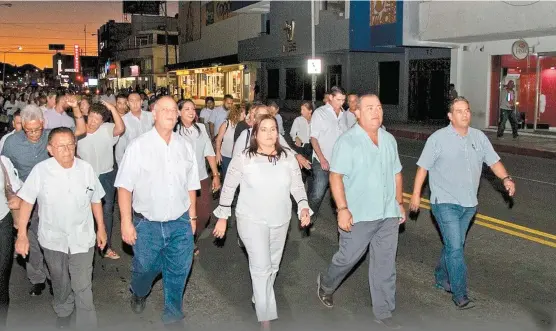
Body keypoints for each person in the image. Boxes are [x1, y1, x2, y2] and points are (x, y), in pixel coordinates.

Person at [410, 96, 516, 309]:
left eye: (467, 110)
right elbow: (423, 168)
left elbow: (493, 161)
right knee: (456, 248)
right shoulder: (438, 139)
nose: (465, 114)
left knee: (453, 245)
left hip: (469, 204)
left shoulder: (478, 137)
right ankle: (460, 294)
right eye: (459, 111)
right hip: (445, 202)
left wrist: (506, 178)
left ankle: (441, 276)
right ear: (450, 116)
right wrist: (415, 195)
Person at [213, 114, 311, 331]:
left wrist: (303, 206)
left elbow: (297, 186)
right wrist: (222, 216)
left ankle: (261, 297)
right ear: (255, 133)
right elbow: (229, 187)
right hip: (251, 219)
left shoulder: (287, 157)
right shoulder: (244, 157)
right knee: (261, 268)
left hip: (280, 219)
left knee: (273, 266)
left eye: (273, 129)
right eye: (264, 129)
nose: (269, 134)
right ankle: (265, 320)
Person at [317, 95, 405, 330]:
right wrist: (342, 209)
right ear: (357, 113)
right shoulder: (348, 141)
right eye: (369, 108)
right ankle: (326, 284)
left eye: (379, 107)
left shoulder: (389, 140)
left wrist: (399, 203)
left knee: (385, 264)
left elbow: (396, 173)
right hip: (359, 214)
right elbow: (335, 176)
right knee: (348, 258)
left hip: (387, 214)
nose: (376, 112)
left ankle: (384, 312)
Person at [115, 96, 200, 328]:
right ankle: (139, 291)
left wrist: (192, 216)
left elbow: (191, 186)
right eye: (165, 110)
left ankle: (173, 315)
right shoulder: (138, 146)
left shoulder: (185, 147)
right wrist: (126, 222)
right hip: (147, 224)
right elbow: (124, 186)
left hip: (180, 221)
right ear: (153, 113)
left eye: (174, 110)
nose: (171, 114)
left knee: (179, 270)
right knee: (144, 269)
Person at [15, 127, 107, 330]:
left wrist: (101, 228)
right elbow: (27, 202)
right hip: (53, 239)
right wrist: (22, 235)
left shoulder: (86, 169)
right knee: (60, 282)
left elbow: (96, 200)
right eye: (61, 146)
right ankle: (63, 310)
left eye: (71, 145)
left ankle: (86, 324)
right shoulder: (41, 171)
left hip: (82, 237)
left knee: (83, 285)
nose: (67, 150)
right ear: (50, 149)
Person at [1, 103, 85, 296]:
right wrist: (12, 197)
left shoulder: (51, 135)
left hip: (53, 195)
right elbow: (4, 172)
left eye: (37, 129)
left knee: (55, 237)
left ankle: (56, 276)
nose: (33, 134)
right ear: (21, 125)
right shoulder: (12, 143)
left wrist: (76, 108)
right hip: (27, 198)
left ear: (43, 123)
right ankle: (37, 278)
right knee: (32, 238)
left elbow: (80, 129)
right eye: (29, 130)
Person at [77, 101, 125, 259]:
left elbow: (121, 128)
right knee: (84, 210)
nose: (93, 121)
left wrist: (112, 108)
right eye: (91, 117)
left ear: (102, 121)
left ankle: (106, 247)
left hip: (106, 175)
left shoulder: (107, 129)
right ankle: (84, 244)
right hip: (86, 176)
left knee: (107, 210)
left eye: (98, 119)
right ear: (87, 115)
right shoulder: (79, 130)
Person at [176, 99, 221, 256]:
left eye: (193, 109)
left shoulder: (200, 128)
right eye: (186, 108)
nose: (191, 111)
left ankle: (191, 237)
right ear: (178, 112)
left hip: (201, 178)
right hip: (181, 181)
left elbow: (209, 151)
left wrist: (215, 174)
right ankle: (187, 242)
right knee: (183, 214)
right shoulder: (174, 131)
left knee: (205, 213)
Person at [307, 86, 348, 233]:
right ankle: (309, 216)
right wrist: (322, 158)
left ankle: (343, 223)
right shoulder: (320, 113)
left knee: (341, 195)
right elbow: (313, 138)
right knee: (318, 193)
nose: (341, 103)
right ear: (330, 97)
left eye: (343, 100)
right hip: (322, 160)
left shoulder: (344, 115)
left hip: (340, 163)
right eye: (338, 100)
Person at [0, 156, 22, 329]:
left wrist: (17, 197)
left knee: (1, 274)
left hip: (2, 223)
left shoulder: (3, 162)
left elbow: (14, 186)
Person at [114, 93, 154, 166]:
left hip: (151, 160)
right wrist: (122, 167)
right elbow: (120, 147)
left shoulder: (151, 116)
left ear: (141, 102)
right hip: (133, 162)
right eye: (132, 101)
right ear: (128, 104)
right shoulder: (123, 121)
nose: (135, 104)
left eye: (137, 101)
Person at [215, 104, 246, 179]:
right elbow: (218, 140)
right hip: (226, 156)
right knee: (227, 178)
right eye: (243, 114)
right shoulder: (226, 124)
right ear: (237, 114)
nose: (245, 116)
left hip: (238, 157)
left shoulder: (243, 125)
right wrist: (218, 153)